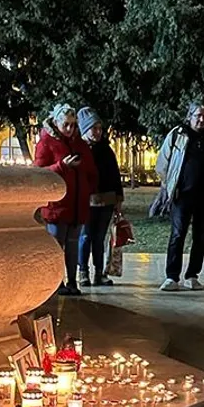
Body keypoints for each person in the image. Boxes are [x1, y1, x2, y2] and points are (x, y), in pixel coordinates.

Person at [155, 103, 204, 291]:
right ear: (189, 116)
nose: (202, 119)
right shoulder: (177, 135)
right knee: (178, 235)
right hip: (183, 196)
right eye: (198, 115)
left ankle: (192, 275)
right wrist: (169, 186)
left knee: (201, 237)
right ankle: (172, 276)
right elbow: (162, 163)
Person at [34, 103, 97, 296]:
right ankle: (56, 282)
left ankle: (72, 281)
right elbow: (39, 173)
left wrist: (89, 189)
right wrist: (61, 166)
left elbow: (91, 172)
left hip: (77, 206)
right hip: (56, 207)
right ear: (56, 123)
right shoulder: (46, 143)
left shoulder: (81, 144)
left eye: (73, 125)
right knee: (56, 247)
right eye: (66, 125)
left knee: (72, 245)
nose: (70, 129)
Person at [75, 107, 124, 288]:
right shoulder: (79, 149)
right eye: (93, 129)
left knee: (99, 238)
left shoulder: (106, 150)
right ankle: (83, 272)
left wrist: (118, 199)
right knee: (85, 236)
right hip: (87, 200)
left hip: (107, 200)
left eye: (99, 129)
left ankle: (99, 272)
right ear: (84, 129)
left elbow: (114, 175)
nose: (97, 132)